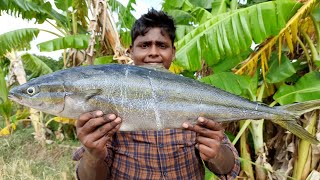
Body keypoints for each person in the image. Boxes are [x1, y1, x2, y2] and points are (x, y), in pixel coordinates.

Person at [73, 9, 240, 180]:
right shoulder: (111, 95)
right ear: (131, 51)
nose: (153, 52)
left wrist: (216, 152)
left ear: (173, 52)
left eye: (162, 45)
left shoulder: (193, 93)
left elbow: (229, 168)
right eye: (144, 45)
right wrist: (93, 154)